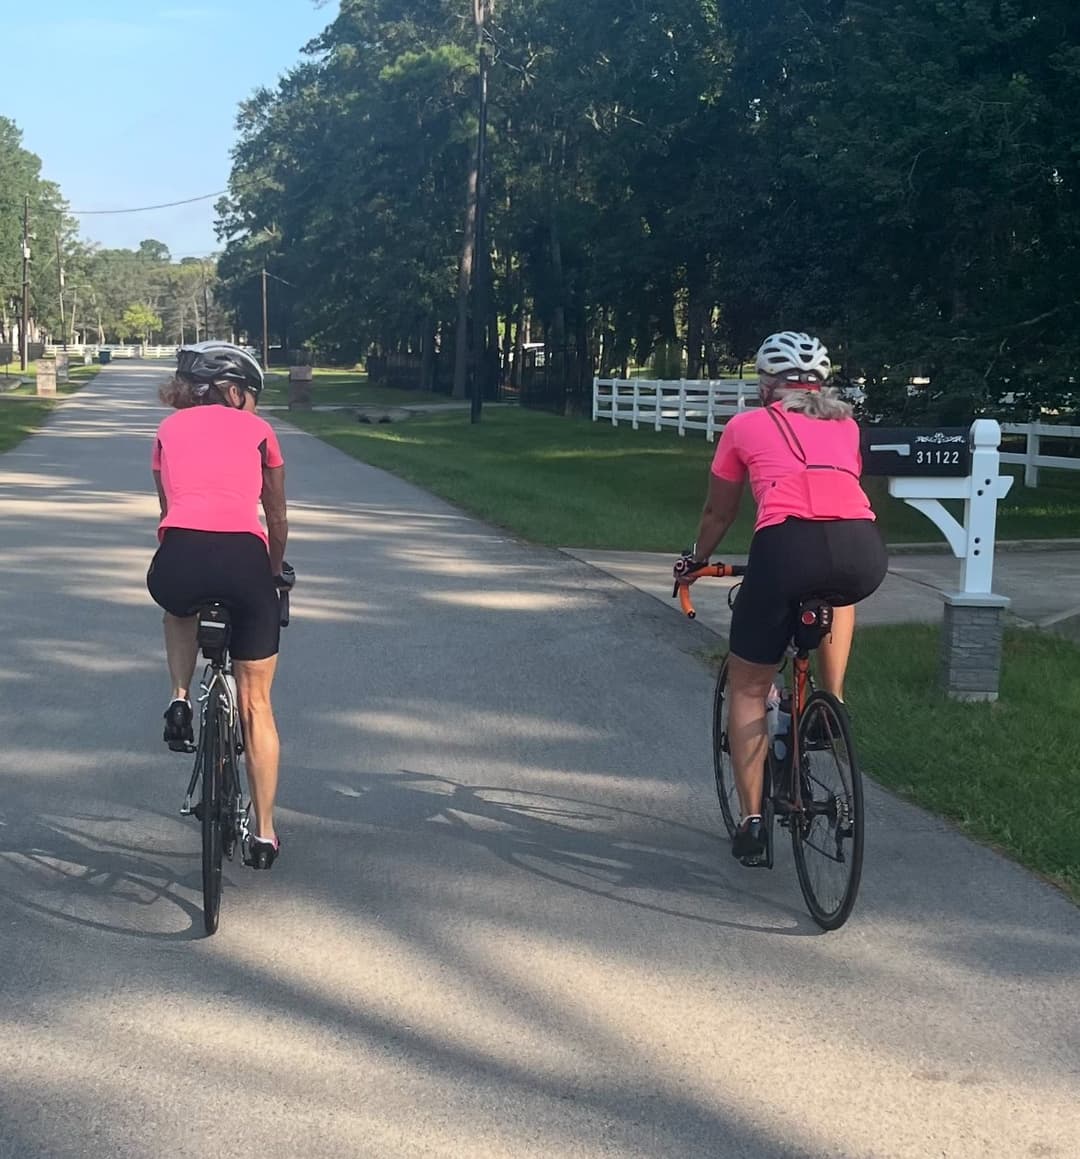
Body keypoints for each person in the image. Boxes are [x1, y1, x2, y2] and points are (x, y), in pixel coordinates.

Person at [674, 332, 887, 865]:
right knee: (836, 592)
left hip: (785, 547)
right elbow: (835, 500)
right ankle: (831, 703)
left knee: (749, 687)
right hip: (863, 550)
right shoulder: (847, 425)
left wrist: (697, 558)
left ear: (766, 384)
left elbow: (719, 512)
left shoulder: (745, 426)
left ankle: (752, 822)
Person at [146, 341, 291, 870]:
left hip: (181, 557)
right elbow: (276, 516)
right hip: (244, 562)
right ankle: (264, 833)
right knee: (257, 704)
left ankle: (180, 697)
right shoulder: (261, 432)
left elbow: (169, 509)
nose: (253, 404)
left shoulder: (167, 430)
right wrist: (274, 572)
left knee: (177, 607)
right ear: (233, 391)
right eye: (251, 394)